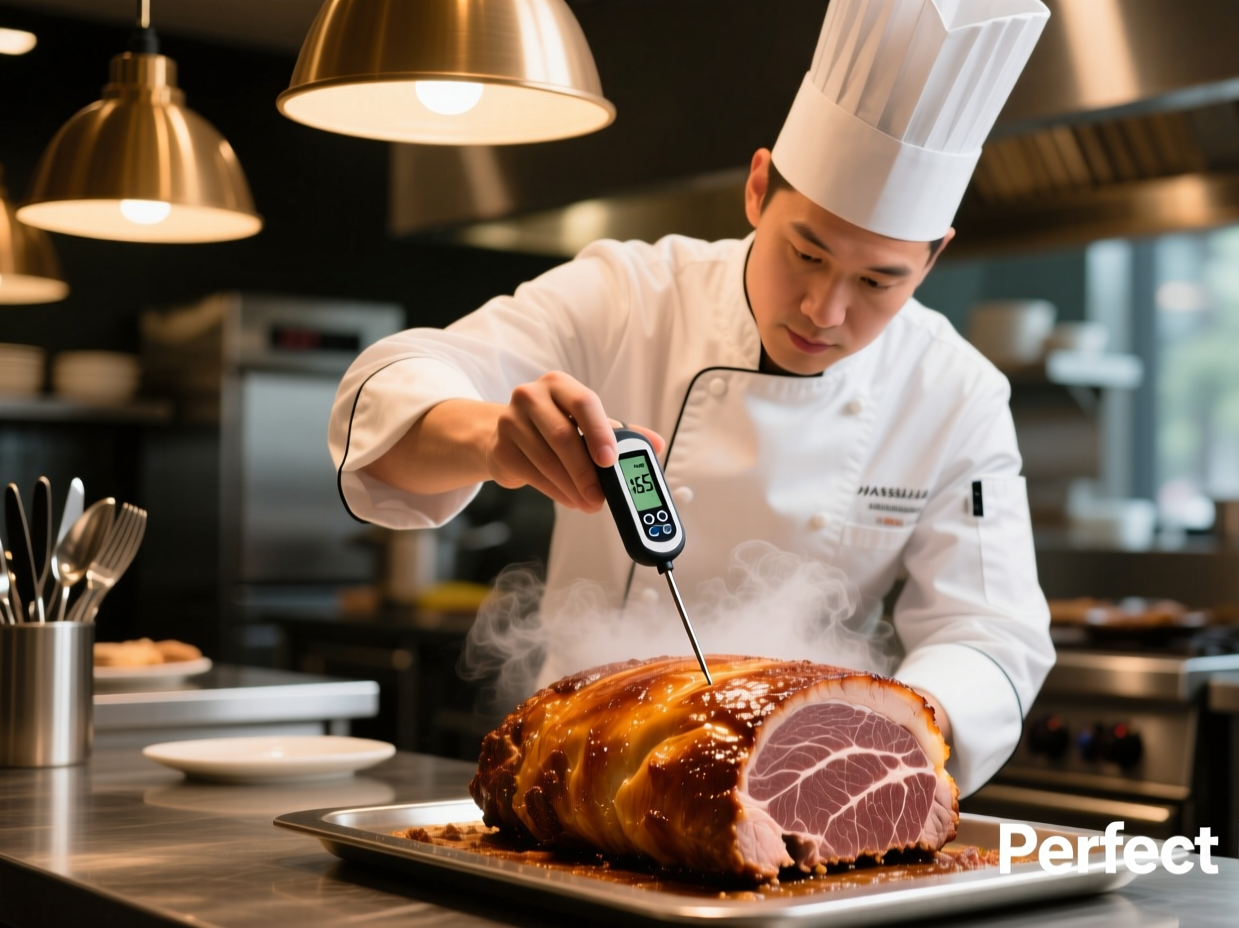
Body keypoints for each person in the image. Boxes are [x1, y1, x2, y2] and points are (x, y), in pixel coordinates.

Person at [329, 0, 1053, 792]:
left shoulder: (955, 394)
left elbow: (990, 632)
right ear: (757, 189)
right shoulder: (629, 295)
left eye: (879, 282)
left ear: (935, 257)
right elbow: (386, 391)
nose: (825, 311)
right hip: (584, 769)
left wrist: (878, 741)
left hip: (800, 782)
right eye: (806, 254)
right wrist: (490, 439)